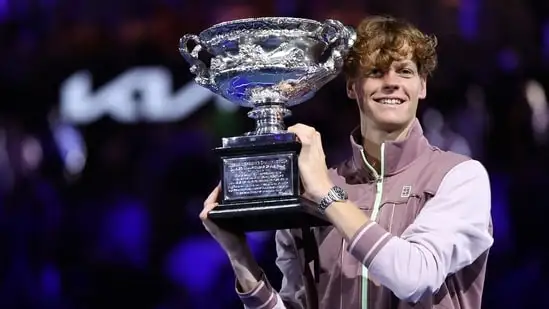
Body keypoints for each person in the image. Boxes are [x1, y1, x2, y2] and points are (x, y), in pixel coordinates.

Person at [200, 15, 493, 309]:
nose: (391, 83)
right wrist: (239, 256)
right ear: (352, 87)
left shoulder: (459, 177)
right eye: (376, 71)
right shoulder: (311, 192)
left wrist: (327, 195)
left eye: (404, 71)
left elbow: (414, 277)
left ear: (422, 86)